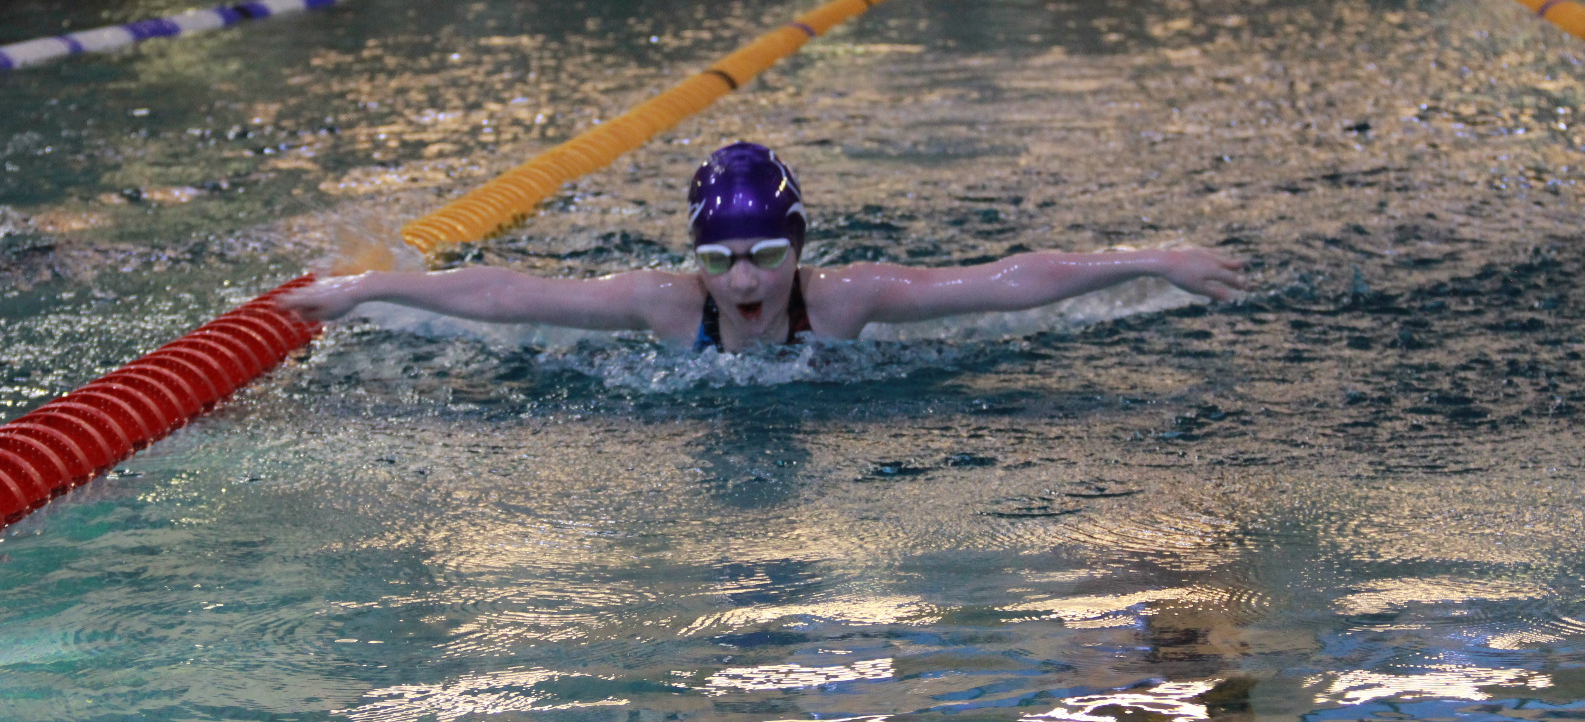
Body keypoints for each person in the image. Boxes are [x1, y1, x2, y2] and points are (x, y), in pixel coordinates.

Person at [280, 142, 1246, 351]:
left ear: (799, 247)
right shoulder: (666, 306)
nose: (742, 281)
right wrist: (369, 287)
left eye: (764, 257)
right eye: (718, 261)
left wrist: (1151, 259)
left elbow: (1000, 282)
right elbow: (509, 294)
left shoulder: (846, 299)